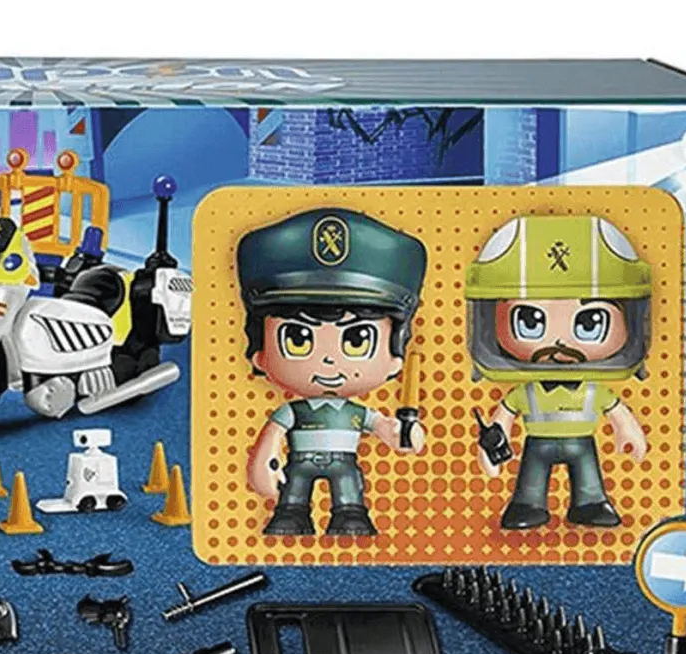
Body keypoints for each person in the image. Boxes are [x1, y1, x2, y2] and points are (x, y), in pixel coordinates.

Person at [238, 208, 427, 536]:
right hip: (299, 462)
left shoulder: (357, 412)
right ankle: (291, 512)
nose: (328, 360)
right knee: (294, 492)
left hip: (345, 462)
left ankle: (350, 513)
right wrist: (264, 463)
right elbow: (272, 438)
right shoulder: (292, 411)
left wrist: (404, 433)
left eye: (356, 340)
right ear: (260, 353)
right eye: (298, 339)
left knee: (349, 488)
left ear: (395, 354)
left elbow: (387, 431)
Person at [465, 214, 650, 530]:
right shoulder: (526, 391)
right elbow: (502, 420)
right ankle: (527, 504)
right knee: (531, 480)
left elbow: (617, 412)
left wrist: (628, 430)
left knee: (588, 478)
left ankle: (590, 503)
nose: (560, 343)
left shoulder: (593, 390)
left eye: (590, 323)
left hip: (582, 442)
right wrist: (491, 445)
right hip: (537, 443)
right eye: (529, 321)